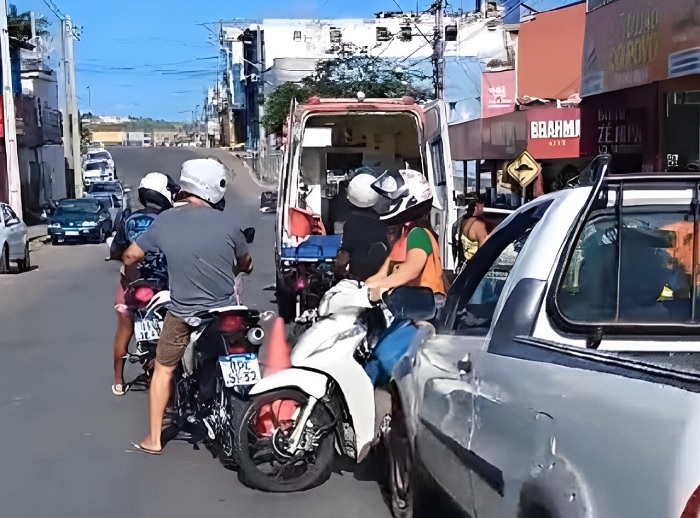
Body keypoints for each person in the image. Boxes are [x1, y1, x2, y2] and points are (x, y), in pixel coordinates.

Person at [122, 157, 253, 455]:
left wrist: (130, 277)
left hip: (183, 313)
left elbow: (130, 255)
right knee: (242, 358)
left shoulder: (166, 220)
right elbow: (246, 263)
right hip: (225, 312)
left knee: (164, 369)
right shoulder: (229, 223)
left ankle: (154, 439)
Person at [109, 172, 179, 396]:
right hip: (167, 288)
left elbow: (117, 251)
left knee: (124, 330)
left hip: (134, 287)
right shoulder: (172, 220)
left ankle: (118, 381)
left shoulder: (129, 220)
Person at [365, 169, 447, 302]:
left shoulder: (418, 234)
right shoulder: (402, 237)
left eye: (392, 200)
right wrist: (361, 288)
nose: (387, 204)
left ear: (411, 200)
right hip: (405, 306)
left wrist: (373, 289)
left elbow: (408, 273)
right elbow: (381, 274)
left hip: (426, 311)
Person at [334, 171, 389, 281]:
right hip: (381, 275)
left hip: (359, 275)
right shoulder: (384, 222)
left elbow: (345, 254)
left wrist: (338, 269)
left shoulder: (351, 224)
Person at [459, 194, 489, 265]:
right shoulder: (478, 225)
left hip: (468, 264)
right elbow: (484, 253)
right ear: (476, 207)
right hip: (476, 266)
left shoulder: (465, 220)